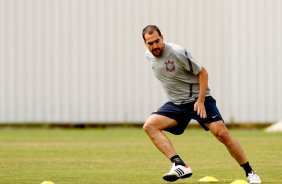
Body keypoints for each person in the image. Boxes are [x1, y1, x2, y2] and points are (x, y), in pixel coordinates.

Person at [142, 25, 261, 183]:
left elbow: (203, 72)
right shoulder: (149, 55)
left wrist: (201, 100)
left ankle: (250, 172)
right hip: (177, 104)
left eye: (157, 41)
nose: (155, 46)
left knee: (222, 134)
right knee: (150, 125)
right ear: (145, 44)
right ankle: (179, 165)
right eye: (150, 43)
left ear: (162, 37)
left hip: (199, 99)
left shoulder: (177, 53)